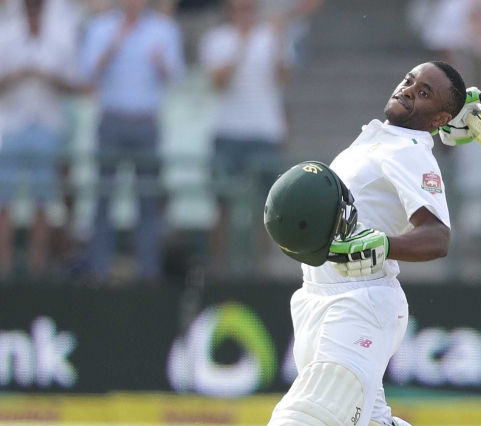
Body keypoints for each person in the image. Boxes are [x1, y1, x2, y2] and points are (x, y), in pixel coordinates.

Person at [207, 62, 481, 426]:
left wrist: (382, 245)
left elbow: (437, 238)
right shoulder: (380, 137)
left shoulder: (412, 153)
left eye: (425, 92)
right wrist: (451, 113)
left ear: (438, 118)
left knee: (321, 402)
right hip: (316, 295)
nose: (408, 90)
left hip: (364, 299)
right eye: (410, 81)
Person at [80, 0, 184, 281]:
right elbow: (87, 73)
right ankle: (98, 270)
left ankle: (148, 272)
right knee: (103, 197)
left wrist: (161, 63)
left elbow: (176, 77)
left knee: (148, 199)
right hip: (111, 121)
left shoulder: (164, 29)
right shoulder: (101, 28)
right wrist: (114, 46)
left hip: (146, 123)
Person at [200, 0, 290, 279]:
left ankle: (262, 271)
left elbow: (285, 78)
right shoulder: (217, 40)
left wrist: (276, 44)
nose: (244, 14)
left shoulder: (271, 38)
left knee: (269, 207)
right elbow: (219, 83)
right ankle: (218, 270)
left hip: (265, 132)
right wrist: (241, 46)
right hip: (228, 131)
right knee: (221, 204)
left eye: (249, 8)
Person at [0, 0, 78, 279]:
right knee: (3, 202)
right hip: (11, 126)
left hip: (47, 124)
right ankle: (4, 267)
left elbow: (74, 84)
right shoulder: (6, 34)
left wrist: (47, 78)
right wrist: (19, 75)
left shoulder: (59, 37)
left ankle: (36, 268)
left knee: (43, 202)